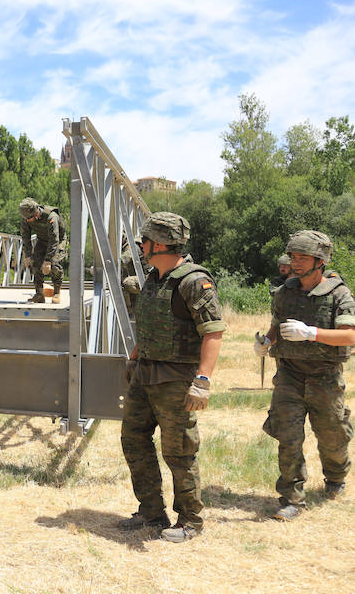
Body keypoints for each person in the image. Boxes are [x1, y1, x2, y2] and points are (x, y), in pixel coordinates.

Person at [119, 212, 225, 543]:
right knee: (133, 439)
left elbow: (213, 332)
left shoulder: (194, 281)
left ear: (162, 243)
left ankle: (190, 519)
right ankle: (151, 511)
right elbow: (154, 322)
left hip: (176, 379)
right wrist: (138, 352)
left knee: (178, 450)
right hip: (145, 373)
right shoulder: (155, 277)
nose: (140, 246)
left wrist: (203, 381)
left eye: (145, 241)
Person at [253, 230, 355, 521]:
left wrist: (311, 334)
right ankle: (292, 498)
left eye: (302, 257)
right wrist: (267, 342)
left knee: (333, 435)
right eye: (293, 256)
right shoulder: (285, 291)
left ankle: (335, 477)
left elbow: (349, 336)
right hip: (290, 376)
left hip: (325, 377)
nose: (295, 263)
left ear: (319, 261)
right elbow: (277, 324)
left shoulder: (338, 294)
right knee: (288, 436)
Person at [19, 197, 65, 304]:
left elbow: (54, 240)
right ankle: (39, 294)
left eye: (30, 219)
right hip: (42, 240)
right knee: (35, 263)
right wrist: (28, 255)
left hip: (58, 240)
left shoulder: (51, 217)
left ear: (36, 213)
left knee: (54, 264)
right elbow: (25, 237)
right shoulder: (26, 217)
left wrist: (48, 260)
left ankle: (56, 292)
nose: (28, 221)